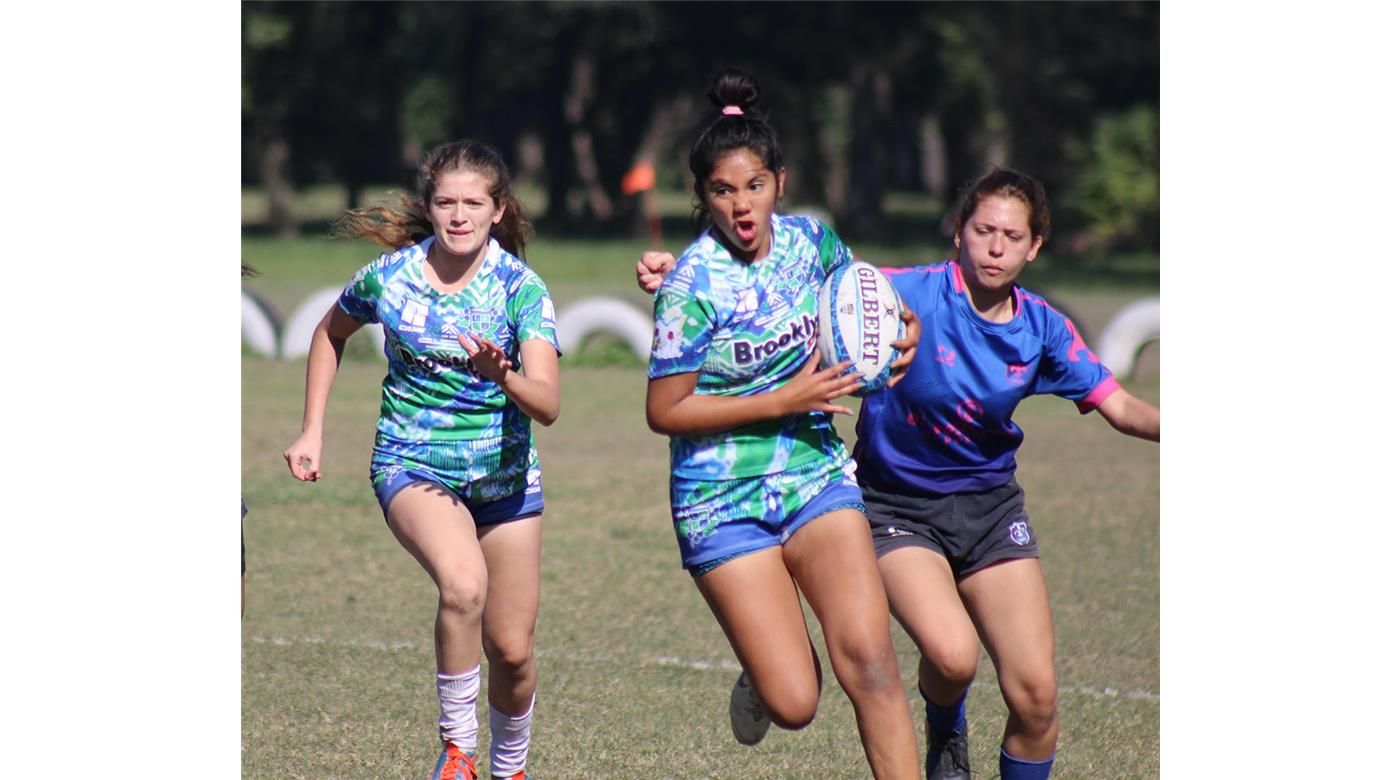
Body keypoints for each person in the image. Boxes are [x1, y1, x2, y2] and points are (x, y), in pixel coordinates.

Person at [638, 167, 1160, 779]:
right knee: (953, 655)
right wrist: (683, 272)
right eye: (983, 230)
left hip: (992, 510)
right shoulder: (903, 293)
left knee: (1038, 697)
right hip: (895, 510)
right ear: (957, 232)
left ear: (1034, 246)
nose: (995, 247)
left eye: (1012, 236)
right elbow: (794, 289)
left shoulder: (1041, 327)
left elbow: (1120, 406)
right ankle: (946, 732)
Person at [644, 68, 922, 779]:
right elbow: (664, 411)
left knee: (871, 660)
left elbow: (867, 304)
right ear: (701, 196)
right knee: (796, 701)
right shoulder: (690, 287)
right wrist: (782, 399)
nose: (742, 205)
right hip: (718, 498)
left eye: (755, 186)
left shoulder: (813, 244)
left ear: (780, 182)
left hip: (813, 473)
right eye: (723, 190)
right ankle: (766, 669)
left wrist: (901, 333)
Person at [283, 139, 560, 780]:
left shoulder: (522, 290)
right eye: (446, 202)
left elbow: (546, 404)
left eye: (473, 203)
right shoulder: (389, 278)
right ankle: (458, 751)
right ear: (429, 207)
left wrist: (505, 375)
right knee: (462, 586)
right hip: (412, 465)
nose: (459, 215)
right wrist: (311, 430)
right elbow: (329, 333)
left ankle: (509, 767)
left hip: (506, 480)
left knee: (512, 651)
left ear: (498, 211)